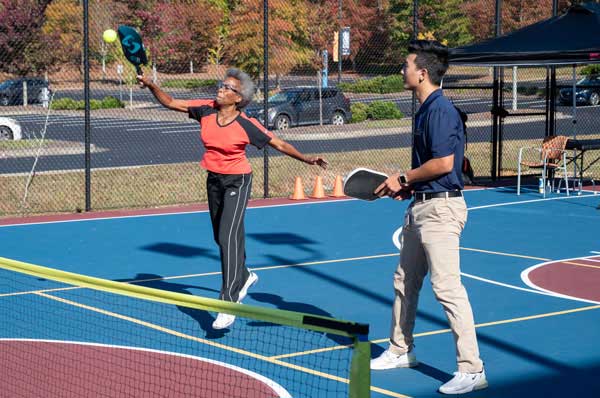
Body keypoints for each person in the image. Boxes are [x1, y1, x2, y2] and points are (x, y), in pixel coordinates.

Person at [137, 68, 327, 330]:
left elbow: (279, 144)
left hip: (238, 181)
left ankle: (228, 301)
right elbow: (170, 102)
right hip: (214, 179)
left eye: (227, 88)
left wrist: (307, 159)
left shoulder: (246, 124)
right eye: (221, 85)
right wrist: (151, 85)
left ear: (238, 98)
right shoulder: (205, 110)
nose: (221, 89)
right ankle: (245, 275)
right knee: (221, 236)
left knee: (228, 236)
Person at [370, 40, 487, 395]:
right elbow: (432, 168)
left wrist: (403, 178)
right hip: (421, 205)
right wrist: (409, 189)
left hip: (440, 211)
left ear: (422, 73)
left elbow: (444, 164)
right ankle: (401, 349)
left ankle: (472, 369)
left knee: (448, 289)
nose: (401, 70)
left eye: (406, 65)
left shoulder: (439, 111)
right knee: (404, 281)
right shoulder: (425, 109)